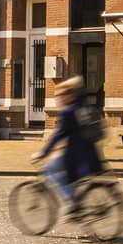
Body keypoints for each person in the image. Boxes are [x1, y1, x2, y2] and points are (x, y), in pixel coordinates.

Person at [33, 76, 102, 216]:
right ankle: (76, 202)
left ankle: (72, 201)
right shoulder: (83, 106)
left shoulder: (68, 112)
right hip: (90, 153)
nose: (59, 99)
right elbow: (76, 131)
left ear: (69, 95)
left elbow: (59, 135)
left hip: (75, 156)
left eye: (61, 95)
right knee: (65, 173)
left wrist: (43, 153)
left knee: (50, 169)